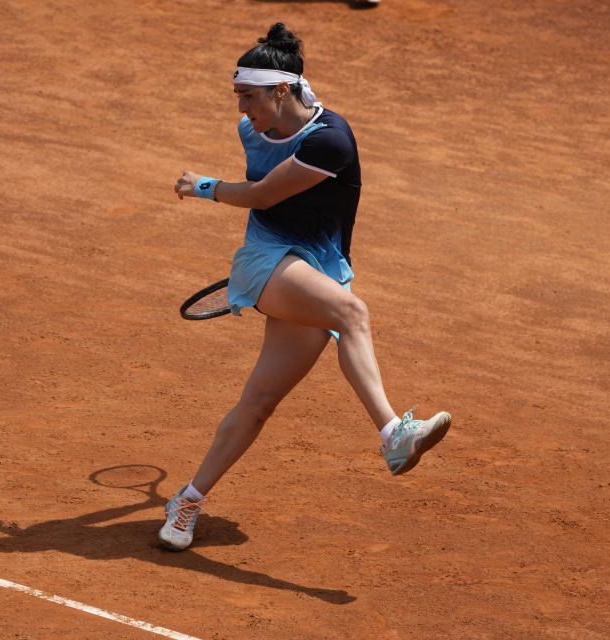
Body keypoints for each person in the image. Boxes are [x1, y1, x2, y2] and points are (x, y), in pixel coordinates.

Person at [161, 23, 450, 551]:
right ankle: (393, 434)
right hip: (265, 261)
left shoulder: (329, 141)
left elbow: (265, 195)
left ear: (281, 90)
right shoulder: (253, 130)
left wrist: (201, 185)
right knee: (351, 314)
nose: (241, 109)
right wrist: (219, 186)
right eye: (237, 97)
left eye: (247, 96)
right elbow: (263, 202)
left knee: (259, 402)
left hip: (315, 267)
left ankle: (186, 500)